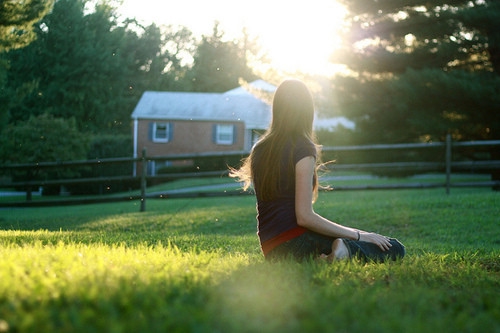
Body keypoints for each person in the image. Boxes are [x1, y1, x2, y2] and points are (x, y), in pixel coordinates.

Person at [230, 79, 405, 262]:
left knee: (367, 240)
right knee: (395, 247)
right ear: (307, 110)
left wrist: (361, 234)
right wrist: (359, 236)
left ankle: (328, 255)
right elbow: (304, 217)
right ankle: (342, 252)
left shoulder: (259, 148)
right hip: (298, 241)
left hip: (272, 251)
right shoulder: (302, 147)